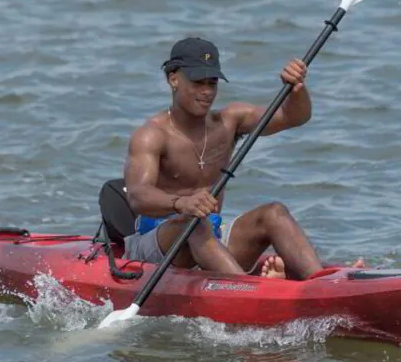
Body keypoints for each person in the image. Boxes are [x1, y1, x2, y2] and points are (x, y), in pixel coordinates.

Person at [121, 37, 331, 279]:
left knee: (273, 213)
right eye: (198, 82)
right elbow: (138, 195)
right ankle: (252, 292)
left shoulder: (229, 121)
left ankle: (324, 284)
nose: (207, 92)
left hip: (210, 236)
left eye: (212, 83)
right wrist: (181, 203)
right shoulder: (151, 135)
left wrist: (296, 89)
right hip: (156, 247)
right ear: (173, 78)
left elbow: (293, 117)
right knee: (194, 222)